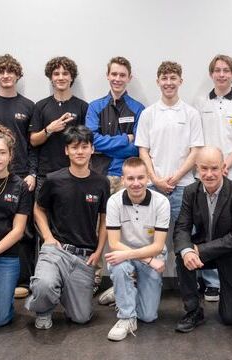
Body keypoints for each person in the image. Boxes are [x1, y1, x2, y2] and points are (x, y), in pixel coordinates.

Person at [25, 126, 110, 329]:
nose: (79, 152)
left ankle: (61, 289)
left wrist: (98, 252)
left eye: (84, 147)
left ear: (92, 149)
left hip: (84, 257)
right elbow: (38, 208)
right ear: (66, 151)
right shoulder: (54, 180)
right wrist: (48, 237)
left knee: (81, 317)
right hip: (56, 250)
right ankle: (43, 307)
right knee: (44, 285)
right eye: (74, 147)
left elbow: (104, 220)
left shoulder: (101, 183)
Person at [194, 54, 232, 302]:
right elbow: (196, 140)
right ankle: (210, 282)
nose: (221, 74)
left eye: (226, 70)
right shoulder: (200, 102)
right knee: (207, 228)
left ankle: (230, 280)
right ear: (211, 74)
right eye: (217, 70)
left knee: (231, 231)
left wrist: (223, 166)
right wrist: (212, 169)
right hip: (206, 174)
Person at [173, 146, 232, 332]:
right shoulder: (190, 192)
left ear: (223, 168)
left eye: (214, 168)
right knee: (182, 257)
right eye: (204, 168)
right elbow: (182, 227)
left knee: (230, 318)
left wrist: (200, 249)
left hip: (231, 254)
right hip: (202, 251)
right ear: (197, 169)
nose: (209, 174)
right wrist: (187, 251)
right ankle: (193, 311)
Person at [86, 56, 145, 294]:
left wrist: (107, 144)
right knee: (95, 228)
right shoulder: (95, 107)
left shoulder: (138, 109)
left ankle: (127, 280)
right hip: (98, 176)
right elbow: (91, 141)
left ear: (129, 78)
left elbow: (137, 147)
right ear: (107, 76)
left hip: (125, 177)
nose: (118, 78)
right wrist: (124, 139)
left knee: (127, 230)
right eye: (114, 74)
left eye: (122, 75)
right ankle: (93, 279)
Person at [0, 54, 36, 299]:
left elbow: (33, 145)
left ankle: (21, 281)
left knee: (25, 231)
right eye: (1, 72)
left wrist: (32, 172)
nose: (6, 75)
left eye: (10, 71)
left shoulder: (28, 105)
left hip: (21, 176)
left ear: (17, 74)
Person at [105, 157, 170, 341]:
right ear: (123, 179)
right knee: (119, 265)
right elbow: (114, 243)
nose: (136, 183)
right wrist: (148, 260)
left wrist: (147, 258)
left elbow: (158, 246)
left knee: (148, 316)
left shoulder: (161, 202)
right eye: (130, 178)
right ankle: (126, 318)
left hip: (151, 252)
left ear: (148, 178)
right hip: (128, 256)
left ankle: (122, 290)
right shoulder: (114, 201)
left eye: (140, 178)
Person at [136, 61, 204, 222]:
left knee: (184, 232)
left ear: (180, 81)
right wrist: (155, 179)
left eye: (173, 78)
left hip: (184, 186)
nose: (168, 82)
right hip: (153, 186)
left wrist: (176, 178)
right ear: (158, 81)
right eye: (164, 78)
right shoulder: (148, 114)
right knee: (151, 232)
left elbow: (195, 151)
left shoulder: (192, 114)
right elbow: (143, 151)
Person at [0, 124, 31, 326]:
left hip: (6, 257)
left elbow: (18, 231)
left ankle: (1, 297)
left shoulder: (21, 187)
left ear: (11, 155)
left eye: (2, 152)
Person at [29, 56, 88, 194]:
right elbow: (33, 141)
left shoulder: (83, 107)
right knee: (41, 207)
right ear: (51, 78)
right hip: (45, 174)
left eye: (65, 73)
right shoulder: (40, 106)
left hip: (74, 173)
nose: (61, 77)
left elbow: (87, 142)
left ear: (71, 77)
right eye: (56, 74)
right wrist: (49, 129)